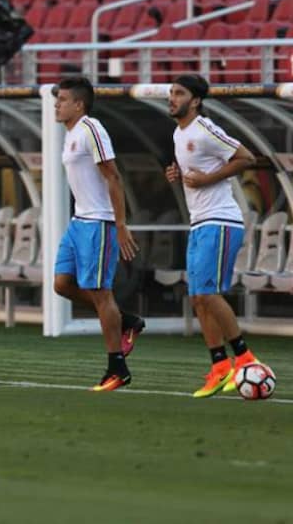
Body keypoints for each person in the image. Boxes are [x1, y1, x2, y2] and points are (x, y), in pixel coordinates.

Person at [164, 74, 262, 398]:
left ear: (195, 101)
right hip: (200, 222)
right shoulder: (179, 134)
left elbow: (247, 157)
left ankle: (245, 358)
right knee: (198, 297)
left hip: (220, 221)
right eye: (171, 92)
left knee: (207, 293)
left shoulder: (205, 129)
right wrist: (177, 175)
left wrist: (209, 179)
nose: (172, 98)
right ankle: (220, 366)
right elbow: (197, 171)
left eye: (179, 93)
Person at [51, 76, 145, 391]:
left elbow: (113, 176)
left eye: (62, 99)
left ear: (79, 104)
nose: (56, 104)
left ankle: (117, 368)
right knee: (62, 285)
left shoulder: (92, 129)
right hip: (79, 221)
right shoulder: (71, 133)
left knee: (102, 293)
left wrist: (119, 225)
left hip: (98, 223)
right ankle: (127, 321)